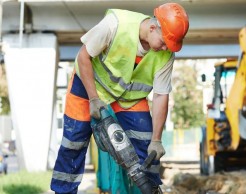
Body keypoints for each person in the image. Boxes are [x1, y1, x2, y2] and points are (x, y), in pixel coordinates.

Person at [50, 2, 189, 194]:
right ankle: (63, 191)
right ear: (152, 28)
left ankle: (151, 190)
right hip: (88, 87)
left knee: (147, 144)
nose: (166, 47)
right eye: (165, 41)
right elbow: (84, 57)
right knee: (74, 142)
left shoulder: (166, 54)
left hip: (128, 97)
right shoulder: (115, 24)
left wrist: (157, 140)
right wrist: (93, 99)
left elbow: (160, 95)